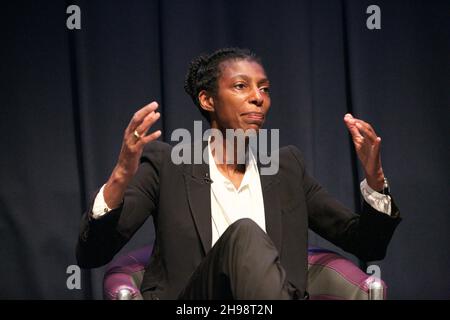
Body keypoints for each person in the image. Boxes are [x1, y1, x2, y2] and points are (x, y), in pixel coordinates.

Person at [76, 48, 401, 300]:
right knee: (245, 234)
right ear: (207, 100)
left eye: (264, 88)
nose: (258, 97)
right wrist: (121, 174)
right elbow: (93, 254)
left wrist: (376, 179)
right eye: (241, 86)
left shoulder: (287, 168)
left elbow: (367, 244)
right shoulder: (168, 164)